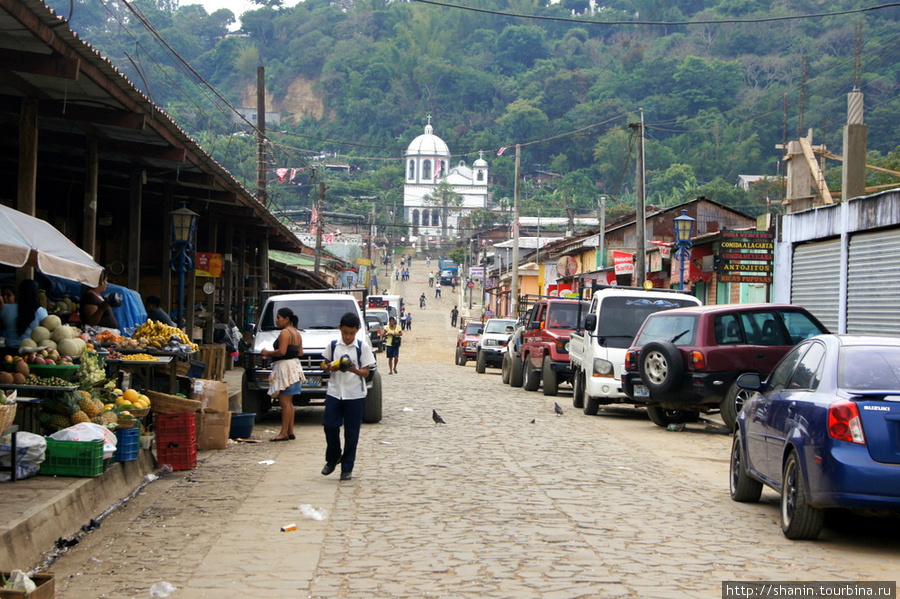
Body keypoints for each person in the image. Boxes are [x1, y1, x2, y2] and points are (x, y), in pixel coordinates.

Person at [321, 312, 376, 481]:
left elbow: (366, 372)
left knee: (351, 433)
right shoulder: (333, 346)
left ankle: (347, 467)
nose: (348, 337)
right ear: (340, 329)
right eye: (345, 333)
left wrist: (353, 369)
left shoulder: (362, 348)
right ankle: (334, 456)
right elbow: (323, 363)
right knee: (329, 426)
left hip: (354, 395)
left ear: (357, 330)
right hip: (335, 393)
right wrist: (330, 367)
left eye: (351, 333)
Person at [261, 307, 304, 442]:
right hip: (295, 366)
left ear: (286, 319)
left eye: (279, 317)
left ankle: (283, 432)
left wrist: (267, 352)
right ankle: (290, 430)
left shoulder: (285, 333)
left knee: (284, 402)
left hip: (285, 368)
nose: (276, 320)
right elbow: (301, 353)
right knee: (289, 402)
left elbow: (281, 351)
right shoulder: (296, 332)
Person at [1, 279, 48, 348]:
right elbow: (46, 333)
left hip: (9, 350)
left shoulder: (6, 308)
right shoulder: (41, 312)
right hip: (30, 352)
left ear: (19, 293)